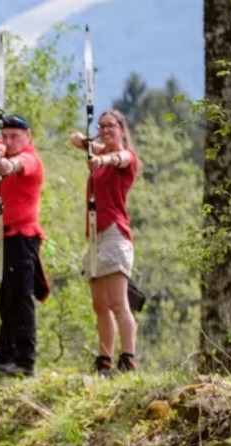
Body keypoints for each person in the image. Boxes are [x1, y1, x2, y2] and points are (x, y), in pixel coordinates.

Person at [0, 114, 49, 378]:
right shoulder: (4, 149)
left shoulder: (30, 159)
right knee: (6, 298)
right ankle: (4, 357)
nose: (9, 141)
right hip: (6, 237)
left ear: (27, 136)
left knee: (19, 297)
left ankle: (25, 360)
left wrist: (7, 162)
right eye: (5, 136)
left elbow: (19, 164)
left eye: (15, 136)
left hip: (22, 237)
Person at [69, 108, 140, 376]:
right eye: (102, 126)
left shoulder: (126, 158)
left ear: (122, 130)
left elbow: (119, 158)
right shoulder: (99, 153)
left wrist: (101, 158)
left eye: (112, 125)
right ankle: (104, 360)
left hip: (114, 233)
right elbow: (75, 139)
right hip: (94, 236)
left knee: (118, 302)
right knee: (100, 304)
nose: (107, 129)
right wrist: (90, 142)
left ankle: (128, 357)